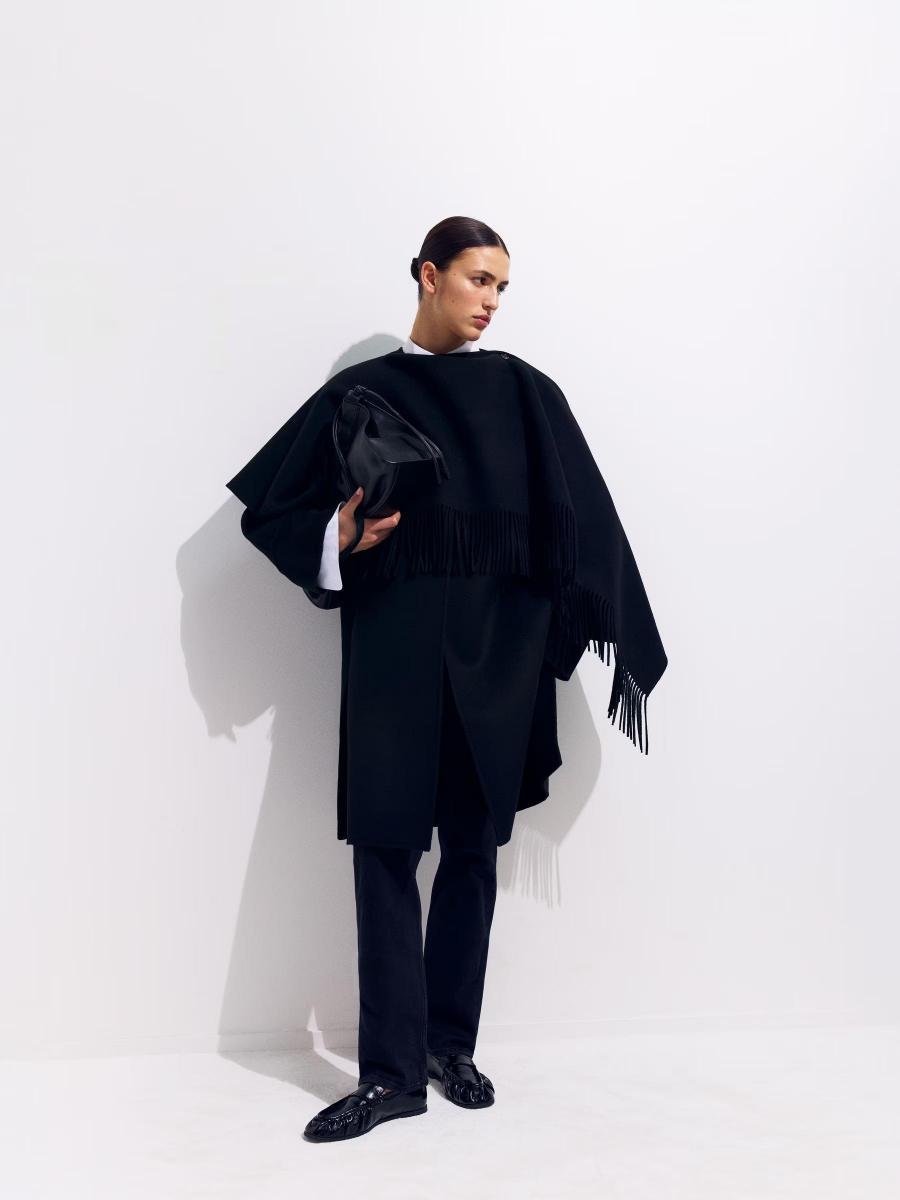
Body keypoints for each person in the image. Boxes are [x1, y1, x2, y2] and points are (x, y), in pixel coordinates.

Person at [225, 216, 668, 1142]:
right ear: (428, 276)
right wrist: (338, 538)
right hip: (393, 651)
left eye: (502, 286)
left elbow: (582, 520)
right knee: (385, 850)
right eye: (478, 279)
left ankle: (446, 1046)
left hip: (498, 654)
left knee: (472, 850)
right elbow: (270, 510)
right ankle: (390, 1077)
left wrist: (579, 628)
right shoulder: (362, 394)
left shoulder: (525, 393)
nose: (491, 301)